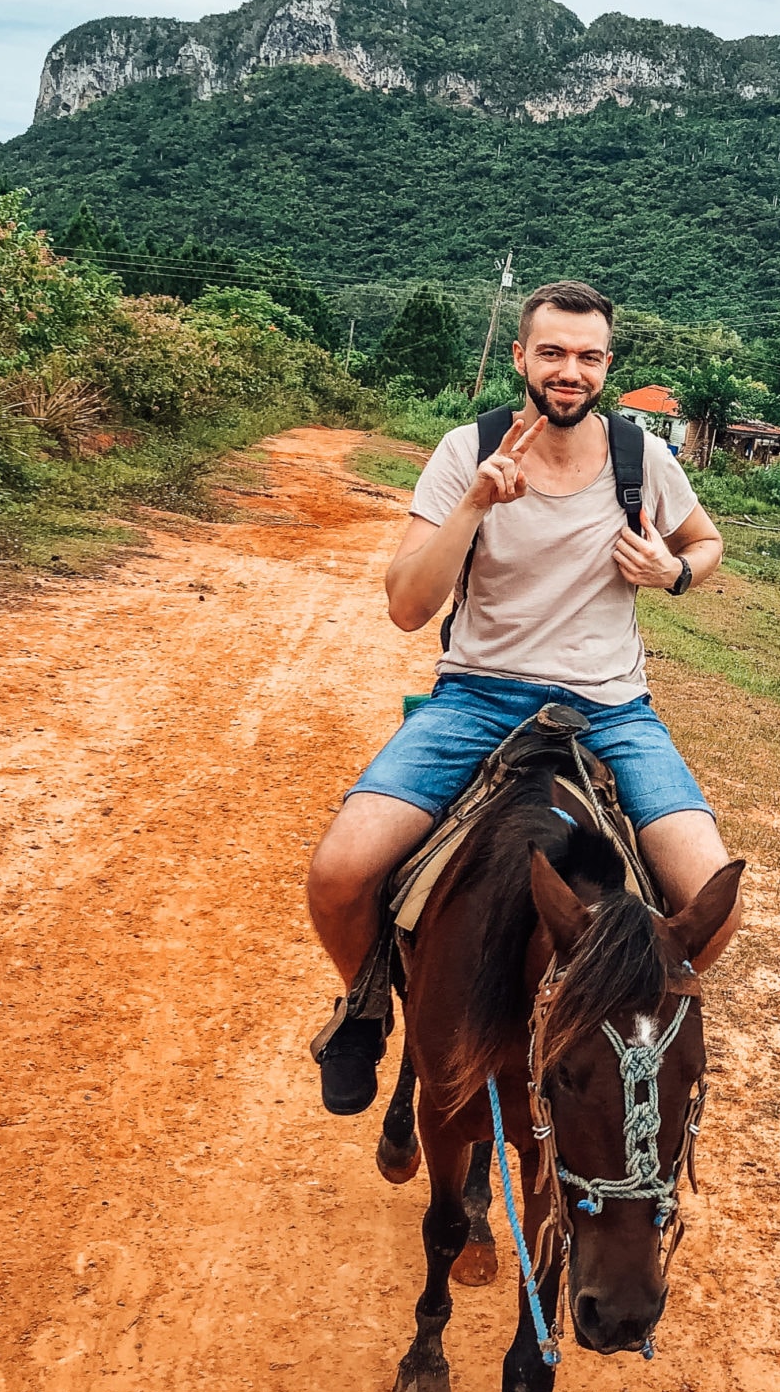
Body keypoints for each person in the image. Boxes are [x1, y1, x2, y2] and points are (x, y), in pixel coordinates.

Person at [306, 279, 742, 1114]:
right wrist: (475, 503)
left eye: (587, 357)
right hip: (477, 696)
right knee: (339, 871)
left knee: (712, 903)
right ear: (521, 358)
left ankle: (622, 1030)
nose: (568, 371)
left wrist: (677, 571)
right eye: (552, 353)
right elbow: (407, 606)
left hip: (613, 708)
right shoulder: (465, 451)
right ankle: (364, 1006)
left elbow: (705, 538)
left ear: (607, 366)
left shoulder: (639, 457)